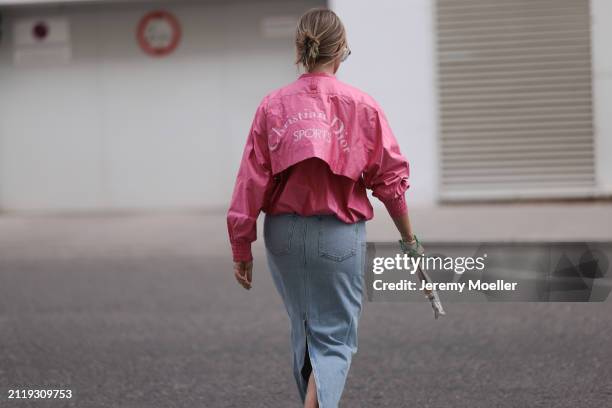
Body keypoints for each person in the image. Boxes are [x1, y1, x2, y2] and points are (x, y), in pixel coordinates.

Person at [226, 7, 422, 407]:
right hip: (338, 234)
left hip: (282, 234)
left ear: (300, 50)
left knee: (304, 330)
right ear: (341, 51)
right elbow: (390, 179)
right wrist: (409, 240)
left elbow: (251, 179)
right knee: (335, 338)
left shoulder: (272, 105)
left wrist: (241, 245)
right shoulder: (362, 106)